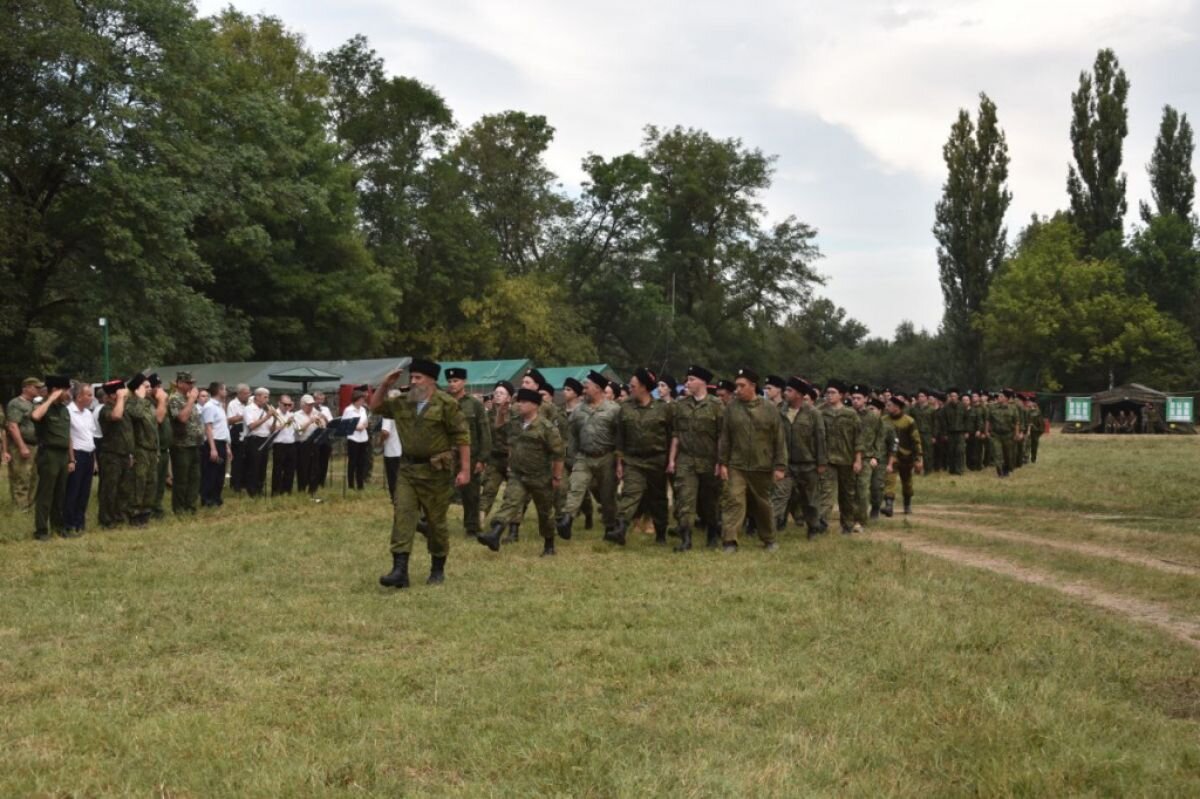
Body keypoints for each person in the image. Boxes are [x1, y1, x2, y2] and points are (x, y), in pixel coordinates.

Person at [371, 359, 470, 589]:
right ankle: (399, 570)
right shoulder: (404, 402)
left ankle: (437, 568)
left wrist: (465, 470)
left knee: (436, 523)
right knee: (403, 516)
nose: (413, 381)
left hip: (436, 472)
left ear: (432, 380)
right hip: (407, 469)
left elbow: (462, 438)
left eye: (418, 378)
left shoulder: (446, 404)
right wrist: (384, 385)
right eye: (412, 377)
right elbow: (375, 407)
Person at [477, 387, 565, 556]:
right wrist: (501, 413)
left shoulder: (546, 427)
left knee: (545, 512)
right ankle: (494, 535)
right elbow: (499, 428)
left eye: (524, 402)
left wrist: (556, 476)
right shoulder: (516, 423)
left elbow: (559, 454)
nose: (520, 405)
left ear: (535, 405)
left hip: (540, 477)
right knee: (510, 502)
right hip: (518, 475)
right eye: (519, 401)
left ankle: (549, 545)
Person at [716, 368, 786, 552]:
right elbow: (725, 437)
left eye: (742, 385)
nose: (737, 389)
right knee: (734, 501)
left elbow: (779, 439)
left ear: (753, 386)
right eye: (736, 385)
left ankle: (769, 538)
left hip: (761, 465)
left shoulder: (769, 409)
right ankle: (730, 540)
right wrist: (722, 462)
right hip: (737, 465)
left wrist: (780, 466)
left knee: (763, 504)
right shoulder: (732, 407)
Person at [604, 367, 673, 546]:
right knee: (630, 494)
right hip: (633, 460)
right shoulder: (624, 408)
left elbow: (671, 435)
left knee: (657, 498)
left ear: (644, 387)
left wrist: (671, 460)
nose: (630, 388)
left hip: (657, 460)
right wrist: (619, 463)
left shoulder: (663, 409)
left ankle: (661, 533)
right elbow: (619, 438)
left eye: (633, 385)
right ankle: (621, 528)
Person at [556, 371, 620, 540]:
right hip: (584, 456)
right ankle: (567, 520)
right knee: (575, 488)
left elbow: (620, 436)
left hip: (607, 457)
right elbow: (574, 435)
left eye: (586, 387)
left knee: (607, 496)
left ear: (598, 388)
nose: (583, 390)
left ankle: (610, 527)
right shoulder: (578, 411)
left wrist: (620, 461)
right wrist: (571, 458)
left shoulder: (614, 410)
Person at [667, 365, 724, 551]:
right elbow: (676, 434)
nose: (687, 383)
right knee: (685, 500)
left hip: (709, 460)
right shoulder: (681, 405)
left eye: (691, 379)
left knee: (710, 502)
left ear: (703, 382)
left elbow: (722, 437)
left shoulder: (717, 406)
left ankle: (713, 533)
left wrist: (720, 462)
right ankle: (685, 538)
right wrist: (672, 459)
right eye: (687, 379)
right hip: (686, 459)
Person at [445, 367, 490, 538]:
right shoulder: (444, 401)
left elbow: (484, 431)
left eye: (456, 381)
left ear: (464, 382)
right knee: (441, 490)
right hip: (447, 453)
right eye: (449, 381)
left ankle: (472, 527)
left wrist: (483, 458)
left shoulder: (474, 404)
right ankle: (431, 523)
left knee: (471, 494)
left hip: (470, 455)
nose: (452, 384)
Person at [781, 376, 827, 539]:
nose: (785, 393)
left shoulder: (813, 413)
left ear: (799, 394)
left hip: (808, 463)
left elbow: (820, 438)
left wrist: (821, 462)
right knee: (782, 495)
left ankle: (813, 526)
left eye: (789, 390)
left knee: (810, 499)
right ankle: (777, 524)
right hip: (786, 462)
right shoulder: (781, 411)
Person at [30, 375, 74, 540]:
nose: (69, 393)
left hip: (63, 455)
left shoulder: (64, 409)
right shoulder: (43, 406)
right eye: (66, 390)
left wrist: (71, 458)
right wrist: (50, 400)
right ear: (56, 390)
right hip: (49, 454)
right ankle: (41, 530)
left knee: (60, 493)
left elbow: (67, 435)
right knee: (46, 494)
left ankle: (58, 527)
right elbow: (35, 416)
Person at [822, 379, 864, 534]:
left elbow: (858, 439)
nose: (829, 395)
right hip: (828, 459)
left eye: (833, 393)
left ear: (841, 395)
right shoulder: (821, 413)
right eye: (827, 392)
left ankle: (847, 524)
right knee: (826, 492)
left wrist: (858, 460)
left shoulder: (851, 414)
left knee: (847, 494)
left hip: (847, 459)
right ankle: (821, 523)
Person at [126, 373, 167, 526]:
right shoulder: (131, 402)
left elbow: (155, 426)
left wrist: (156, 450)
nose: (150, 389)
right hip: (140, 449)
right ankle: (134, 514)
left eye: (150, 386)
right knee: (139, 482)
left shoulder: (149, 403)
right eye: (146, 386)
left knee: (151, 482)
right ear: (137, 388)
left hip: (151, 449)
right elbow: (135, 415)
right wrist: (140, 398)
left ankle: (145, 512)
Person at [97, 378, 134, 528]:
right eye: (121, 392)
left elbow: (127, 434)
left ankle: (120, 517)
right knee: (109, 489)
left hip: (124, 455)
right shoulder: (106, 409)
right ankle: (107, 520)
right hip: (111, 455)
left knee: (124, 489)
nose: (125, 395)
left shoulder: (123, 408)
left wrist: (130, 453)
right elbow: (116, 416)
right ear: (113, 395)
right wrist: (119, 398)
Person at [63, 382, 99, 535]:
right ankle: (69, 524)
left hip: (89, 454)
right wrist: (71, 459)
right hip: (76, 454)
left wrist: (95, 460)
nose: (92, 398)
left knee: (85, 491)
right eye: (89, 395)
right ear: (78, 397)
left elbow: (91, 437)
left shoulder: (88, 413)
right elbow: (68, 438)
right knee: (73, 491)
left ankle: (80, 523)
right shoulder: (68, 412)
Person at [6, 377, 44, 512]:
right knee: (21, 477)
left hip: (35, 445)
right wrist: (22, 446)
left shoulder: (34, 404)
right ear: (26, 388)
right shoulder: (16, 403)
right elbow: (12, 426)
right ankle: (20, 507)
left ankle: (30, 504)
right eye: (36, 387)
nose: (39, 390)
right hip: (22, 445)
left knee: (34, 477)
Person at [167, 371, 202, 514]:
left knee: (195, 477)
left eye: (193, 383)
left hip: (194, 444)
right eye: (189, 383)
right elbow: (182, 418)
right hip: (181, 445)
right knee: (181, 479)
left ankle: (191, 506)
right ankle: (179, 508)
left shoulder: (187, 398)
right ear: (180, 383)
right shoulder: (175, 399)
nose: (192, 386)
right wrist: (191, 400)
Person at [480, 381, 514, 522]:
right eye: (496, 393)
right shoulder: (487, 416)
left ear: (509, 397)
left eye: (502, 393)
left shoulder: (515, 415)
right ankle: (479, 522)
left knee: (513, 494)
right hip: (494, 459)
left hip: (512, 459)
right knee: (488, 490)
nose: (498, 395)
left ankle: (512, 525)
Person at [883, 396, 923, 515]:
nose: (887, 407)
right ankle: (889, 505)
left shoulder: (909, 421)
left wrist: (918, 459)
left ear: (897, 407)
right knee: (889, 480)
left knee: (907, 482)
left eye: (889, 405)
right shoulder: (884, 420)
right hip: (890, 456)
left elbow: (916, 440)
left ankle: (907, 503)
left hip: (906, 456)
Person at [201, 382, 231, 507]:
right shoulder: (210, 406)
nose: (226, 391)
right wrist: (213, 448)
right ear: (219, 390)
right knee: (211, 472)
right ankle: (207, 499)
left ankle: (216, 497)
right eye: (225, 389)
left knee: (220, 473)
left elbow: (223, 428)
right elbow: (208, 428)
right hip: (213, 442)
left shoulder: (220, 406)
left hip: (222, 442)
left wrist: (227, 446)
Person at [148, 373, 172, 518]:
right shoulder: (149, 402)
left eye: (159, 386)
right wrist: (162, 400)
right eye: (155, 386)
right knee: (153, 481)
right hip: (153, 449)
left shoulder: (159, 402)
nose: (159, 389)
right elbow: (158, 418)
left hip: (164, 448)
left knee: (162, 480)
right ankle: (151, 508)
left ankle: (157, 506)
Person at [242, 388, 273, 496]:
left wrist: (275, 419)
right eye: (265, 397)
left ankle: (259, 489)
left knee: (262, 466)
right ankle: (252, 491)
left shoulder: (263, 411)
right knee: (254, 466)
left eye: (267, 397)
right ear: (258, 396)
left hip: (265, 439)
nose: (267, 400)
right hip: (254, 440)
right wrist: (267, 417)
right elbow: (252, 426)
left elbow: (270, 428)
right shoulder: (248, 409)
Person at [294, 394, 326, 494]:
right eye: (308, 405)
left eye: (312, 405)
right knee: (303, 467)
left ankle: (313, 489)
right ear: (302, 405)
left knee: (315, 466)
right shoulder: (296, 415)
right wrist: (310, 421)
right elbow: (299, 430)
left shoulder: (316, 412)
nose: (311, 407)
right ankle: (302, 489)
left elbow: (323, 427)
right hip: (303, 443)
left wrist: (321, 421)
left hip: (315, 442)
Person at [985, 389, 1020, 476]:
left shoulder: (1013, 408)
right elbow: (988, 420)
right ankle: (1000, 472)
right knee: (998, 454)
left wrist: (1017, 434)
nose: (999, 398)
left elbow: (1017, 422)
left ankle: (1006, 469)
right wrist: (986, 431)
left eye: (1001, 396)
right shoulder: (992, 407)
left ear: (1006, 398)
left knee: (1008, 455)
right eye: (999, 396)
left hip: (1008, 435)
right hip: (996, 435)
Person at [270, 394, 297, 496]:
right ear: (279, 403)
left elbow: (297, 429)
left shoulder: (291, 414)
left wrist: (292, 420)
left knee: (290, 470)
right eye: (285, 404)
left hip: (291, 444)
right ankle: (275, 492)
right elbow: (272, 430)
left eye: (289, 404)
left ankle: (287, 490)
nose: (287, 407)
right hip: (279, 445)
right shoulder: (275, 414)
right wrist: (286, 422)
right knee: (278, 470)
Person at [344, 390, 371, 490]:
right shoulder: (349, 410)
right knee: (353, 462)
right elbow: (346, 424)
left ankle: (360, 484)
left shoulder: (363, 409)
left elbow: (366, 422)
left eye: (363, 399)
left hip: (363, 438)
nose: (363, 401)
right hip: (353, 438)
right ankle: (351, 485)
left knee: (361, 462)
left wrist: (364, 425)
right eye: (361, 399)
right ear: (356, 400)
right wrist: (357, 427)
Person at [226, 384, 250, 493]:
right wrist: (243, 415)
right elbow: (230, 420)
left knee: (246, 458)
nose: (248, 395)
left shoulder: (249, 403)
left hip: (247, 431)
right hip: (237, 431)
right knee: (238, 459)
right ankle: (235, 484)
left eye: (249, 393)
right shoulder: (233, 404)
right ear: (239, 394)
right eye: (245, 393)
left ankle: (244, 482)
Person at [378, 390, 403, 499]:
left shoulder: (388, 413)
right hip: (403, 449)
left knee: (392, 476)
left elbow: (385, 432)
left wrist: (380, 442)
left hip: (392, 450)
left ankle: (394, 497)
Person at [312, 390, 334, 486]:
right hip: (315, 434)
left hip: (325, 434)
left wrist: (324, 417)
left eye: (322, 400)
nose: (320, 402)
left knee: (324, 459)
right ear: (314, 399)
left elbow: (331, 422)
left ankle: (322, 481)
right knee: (315, 459)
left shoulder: (325, 409)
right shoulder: (311, 409)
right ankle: (314, 480)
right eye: (318, 399)